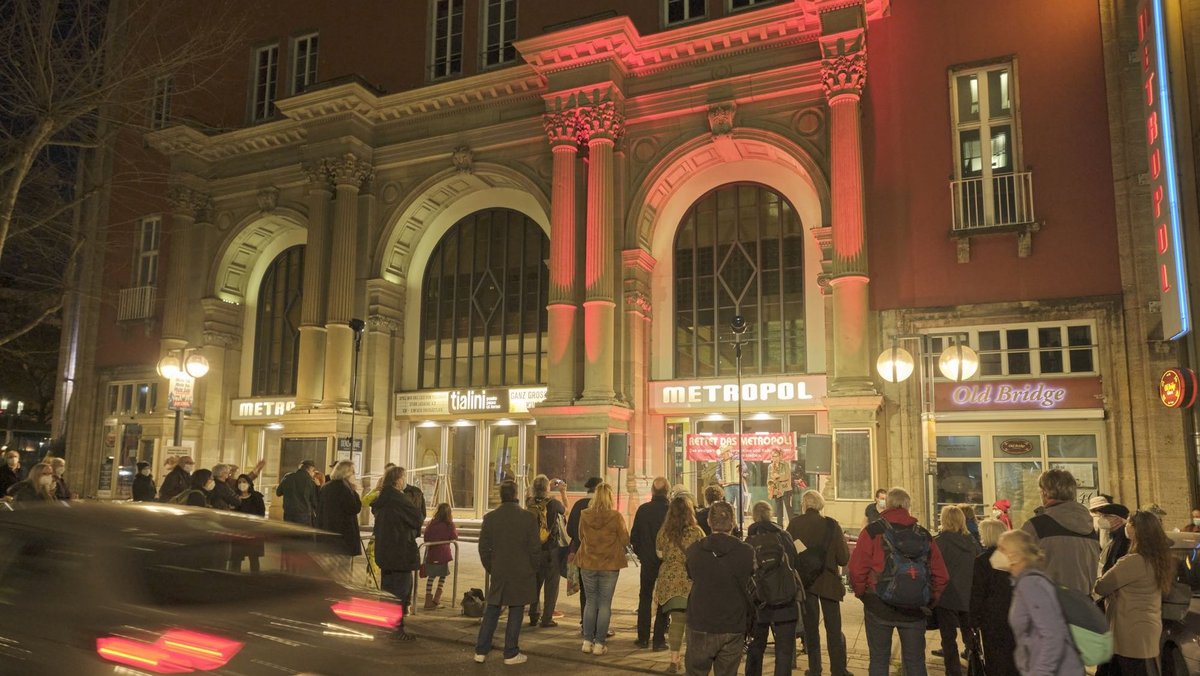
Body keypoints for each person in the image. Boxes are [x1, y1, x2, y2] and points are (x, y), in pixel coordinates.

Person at [848, 487, 949, 676]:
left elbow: (856, 569)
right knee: (915, 663)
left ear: (887, 504)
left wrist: (863, 594)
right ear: (908, 506)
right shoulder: (924, 535)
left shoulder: (872, 531)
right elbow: (941, 575)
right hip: (915, 609)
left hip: (879, 606)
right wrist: (929, 600)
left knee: (879, 660)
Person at [1094, 510, 1175, 676]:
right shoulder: (1158, 558)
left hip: (1128, 632)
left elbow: (1101, 587)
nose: (1126, 526)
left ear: (1138, 529)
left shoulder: (1133, 561)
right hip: (1146, 629)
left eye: (1130, 523)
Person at [995, 529, 1084, 676]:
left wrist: (1041, 672)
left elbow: (1053, 634)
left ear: (1015, 554)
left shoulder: (1031, 584)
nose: (997, 553)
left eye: (1002, 549)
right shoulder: (1026, 581)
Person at [685, 500, 755, 676]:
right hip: (733, 622)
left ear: (709, 521)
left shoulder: (695, 550)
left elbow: (691, 575)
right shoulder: (746, 551)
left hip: (701, 621)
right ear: (732, 522)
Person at [474, 480, 539, 665]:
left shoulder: (491, 518)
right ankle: (510, 651)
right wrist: (533, 567)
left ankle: (481, 650)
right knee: (516, 609)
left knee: (493, 608)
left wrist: (491, 567)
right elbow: (534, 548)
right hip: (521, 569)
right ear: (516, 494)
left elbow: (483, 548)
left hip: (499, 570)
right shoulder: (528, 518)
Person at [787, 489, 851, 676]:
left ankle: (815, 669)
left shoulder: (794, 524)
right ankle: (838, 669)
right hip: (829, 583)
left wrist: (803, 554)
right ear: (820, 505)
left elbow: (789, 553)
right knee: (834, 629)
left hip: (806, 584)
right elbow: (843, 558)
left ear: (805, 505)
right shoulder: (832, 526)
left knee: (811, 629)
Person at [1020, 469, 1100, 595]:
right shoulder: (1089, 527)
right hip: (1082, 603)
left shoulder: (1037, 526)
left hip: (1048, 603)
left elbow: (1016, 566)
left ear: (1045, 492)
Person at [745, 501, 799, 676]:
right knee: (784, 651)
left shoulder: (749, 541)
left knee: (756, 648)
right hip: (785, 599)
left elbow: (746, 573)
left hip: (760, 602)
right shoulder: (784, 536)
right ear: (770, 514)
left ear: (754, 516)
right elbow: (795, 561)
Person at [576, 482, 629, 656]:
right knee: (605, 604)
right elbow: (625, 540)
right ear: (610, 497)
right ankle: (599, 643)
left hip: (588, 562)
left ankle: (586, 641)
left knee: (591, 602)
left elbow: (580, 536)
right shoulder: (616, 517)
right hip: (609, 564)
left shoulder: (584, 514)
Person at [654, 494, 705, 674]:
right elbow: (703, 555)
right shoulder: (696, 531)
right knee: (692, 622)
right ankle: (692, 658)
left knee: (676, 621)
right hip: (689, 580)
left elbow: (659, 554)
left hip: (668, 579)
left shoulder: (664, 531)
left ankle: (674, 660)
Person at [373, 465, 424, 640]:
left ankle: (386, 625)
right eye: (403, 478)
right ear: (397, 480)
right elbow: (417, 518)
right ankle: (396, 629)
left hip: (385, 552)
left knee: (387, 591)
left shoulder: (383, 498)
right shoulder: (399, 499)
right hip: (399, 552)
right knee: (401, 592)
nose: (405, 481)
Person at [931, 505, 980, 676]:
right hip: (968, 595)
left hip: (947, 596)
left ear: (944, 520)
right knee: (970, 636)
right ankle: (976, 667)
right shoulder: (972, 542)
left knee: (948, 639)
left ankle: (953, 672)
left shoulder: (938, 542)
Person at [968, 518, 1017, 676]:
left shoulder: (982, 561)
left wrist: (973, 619)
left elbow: (977, 593)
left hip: (993, 618)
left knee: (996, 659)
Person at [630, 476, 671, 649]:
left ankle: (643, 637)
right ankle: (659, 640)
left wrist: (642, 554)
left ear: (652, 491)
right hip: (666, 561)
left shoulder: (643, 510)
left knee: (645, 597)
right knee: (663, 599)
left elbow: (634, 537)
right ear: (667, 491)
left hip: (648, 561)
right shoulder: (671, 511)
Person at [526, 474, 566, 628]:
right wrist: (562, 492)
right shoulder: (553, 504)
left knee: (535, 584)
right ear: (547, 489)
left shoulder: (529, 502)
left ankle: (533, 615)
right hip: (551, 549)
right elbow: (565, 510)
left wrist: (544, 485)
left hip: (534, 550)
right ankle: (547, 618)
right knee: (551, 585)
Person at [316, 461, 363, 585]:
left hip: (328, 537)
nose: (354, 474)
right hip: (343, 539)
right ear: (346, 473)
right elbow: (354, 508)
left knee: (330, 573)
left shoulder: (326, 487)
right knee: (342, 574)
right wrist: (355, 492)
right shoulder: (345, 489)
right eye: (352, 471)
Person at [567, 476, 602, 627]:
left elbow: (570, 530)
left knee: (585, 590)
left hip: (581, 552)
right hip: (598, 554)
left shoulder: (578, 505)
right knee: (599, 591)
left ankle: (585, 621)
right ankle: (597, 624)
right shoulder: (601, 506)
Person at [422, 502, 457, 610]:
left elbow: (426, 537)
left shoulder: (431, 523)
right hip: (443, 554)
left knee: (431, 577)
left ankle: (428, 600)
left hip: (432, 554)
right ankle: (436, 599)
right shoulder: (449, 524)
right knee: (442, 576)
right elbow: (454, 536)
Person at [231, 474, 267, 572]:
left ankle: (254, 579)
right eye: (239, 482)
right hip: (238, 531)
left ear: (249, 484)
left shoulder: (256, 497)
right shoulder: (234, 497)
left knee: (254, 557)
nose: (242, 484)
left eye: (244, 482)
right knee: (236, 558)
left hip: (253, 531)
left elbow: (261, 513)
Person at [1092, 502, 1130, 579]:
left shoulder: (1124, 539)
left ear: (1117, 519)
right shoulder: (1113, 536)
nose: (1101, 519)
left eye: (1105, 516)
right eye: (1101, 516)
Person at [276, 460, 319, 526]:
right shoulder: (310, 481)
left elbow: (278, 493)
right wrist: (318, 486)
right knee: (303, 535)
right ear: (310, 469)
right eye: (313, 471)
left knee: (289, 535)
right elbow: (314, 502)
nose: (313, 473)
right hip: (304, 517)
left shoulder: (288, 477)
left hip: (288, 515)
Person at [766, 449, 791, 524]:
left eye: (776, 456)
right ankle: (780, 527)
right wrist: (770, 486)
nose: (775, 458)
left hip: (785, 489)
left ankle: (793, 526)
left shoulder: (785, 464)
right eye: (773, 456)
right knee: (779, 511)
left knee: (788, 508)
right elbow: (768, 478)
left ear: (780, 456)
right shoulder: (770, 466)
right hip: (776, 490)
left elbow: (787, 476)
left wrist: (778, 477)